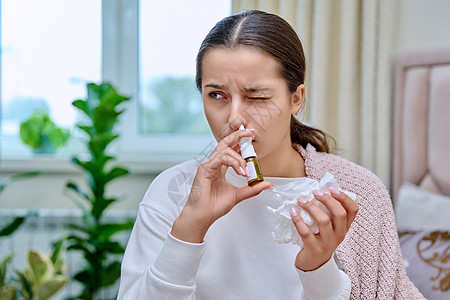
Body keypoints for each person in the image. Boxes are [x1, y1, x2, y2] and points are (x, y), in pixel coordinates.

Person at [118, 10, 424, 299]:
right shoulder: (172, 190)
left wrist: (317, 268)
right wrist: (190, 228)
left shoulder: (355, 194)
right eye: (216, 95)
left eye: (257, 97)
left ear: (295, 98)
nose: (235, 117)